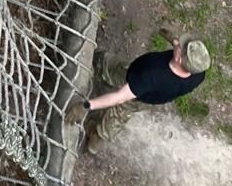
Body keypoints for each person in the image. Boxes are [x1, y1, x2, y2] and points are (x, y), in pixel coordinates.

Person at [66, 34, 210, 151]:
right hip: (151, 98)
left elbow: (119, 97)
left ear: (178, 58)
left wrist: (85, 106)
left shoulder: (151, 76)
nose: (178, 43)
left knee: (109, 68)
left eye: (181, 46)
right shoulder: (198, 74)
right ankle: (97, 138)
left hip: (132, 76)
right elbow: (179, 49)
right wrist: (172, 38)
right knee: (120, 115)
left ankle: (93, 60)